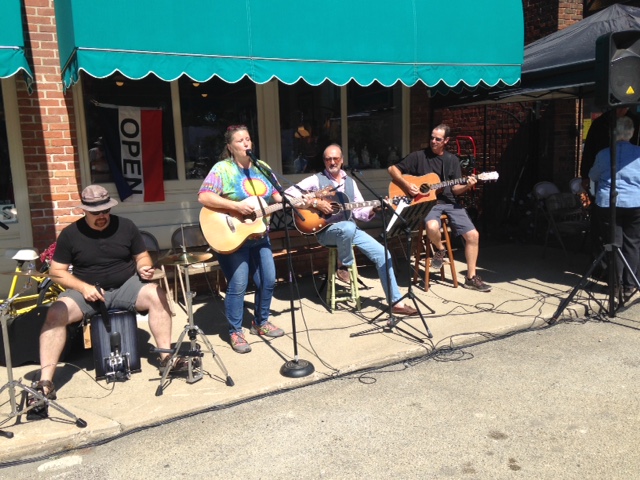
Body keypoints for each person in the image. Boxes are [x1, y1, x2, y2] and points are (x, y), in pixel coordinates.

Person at [35, 185, 180, 401]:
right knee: (56, 313)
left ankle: (166, 357)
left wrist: (143, 267)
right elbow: (56, 272)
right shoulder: (70, 234)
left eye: (105, 211)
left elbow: (142, 256)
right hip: (87, 290)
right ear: (84, 210)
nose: (102, 216)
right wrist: (83, 288)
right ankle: (45, 382)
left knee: (156, 294)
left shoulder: (126, 226)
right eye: (96, 212)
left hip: (125, 285)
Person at [285, 143, 418, 316]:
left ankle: (396, 302)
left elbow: (359, 211)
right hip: (326, 232)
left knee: (383, 253)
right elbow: (288, 195)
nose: (332, 162)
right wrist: (315, 203)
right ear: (324, 161)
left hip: (350, 231)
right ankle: (343, 265)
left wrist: (374, 209)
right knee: (348, 226)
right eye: (328, 159)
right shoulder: (315, 180)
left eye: (335, 158)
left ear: (342, 160)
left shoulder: (351, 181)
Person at [198, 125, 285, 354]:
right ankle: (235, 331)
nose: (246, 143)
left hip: (260, 234)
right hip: (232, 235)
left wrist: (301, 200)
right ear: (230, 147)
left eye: (248, 139)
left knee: (268, 279)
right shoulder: (222, 169)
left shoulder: (262, 167)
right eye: (240, 140)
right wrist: (236, 206)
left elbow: (278, 196)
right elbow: (204, 196)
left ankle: (261, 322)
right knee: (238, 284)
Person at [388, 124, 491, 292]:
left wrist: (468, 185)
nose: (433, 141)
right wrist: (407, 185)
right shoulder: (418, 156)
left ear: (446, 141)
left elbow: (455, 189)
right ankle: (441, 250)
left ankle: (471, 278)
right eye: (432, 138)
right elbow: (392, 169)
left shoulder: (452, 160)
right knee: (431, 226)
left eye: (438, 139)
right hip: (428, 203)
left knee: (473, 235)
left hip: (449, 202)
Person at [589, 116, 640, 302]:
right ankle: (629, 286)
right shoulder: (639, 153)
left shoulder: (604, 154)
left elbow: (593, 175)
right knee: (633, 243)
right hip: (635, 203)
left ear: (614, 133)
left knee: (613, 243)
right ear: (631, 133)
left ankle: (615, 285)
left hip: (609, 203)